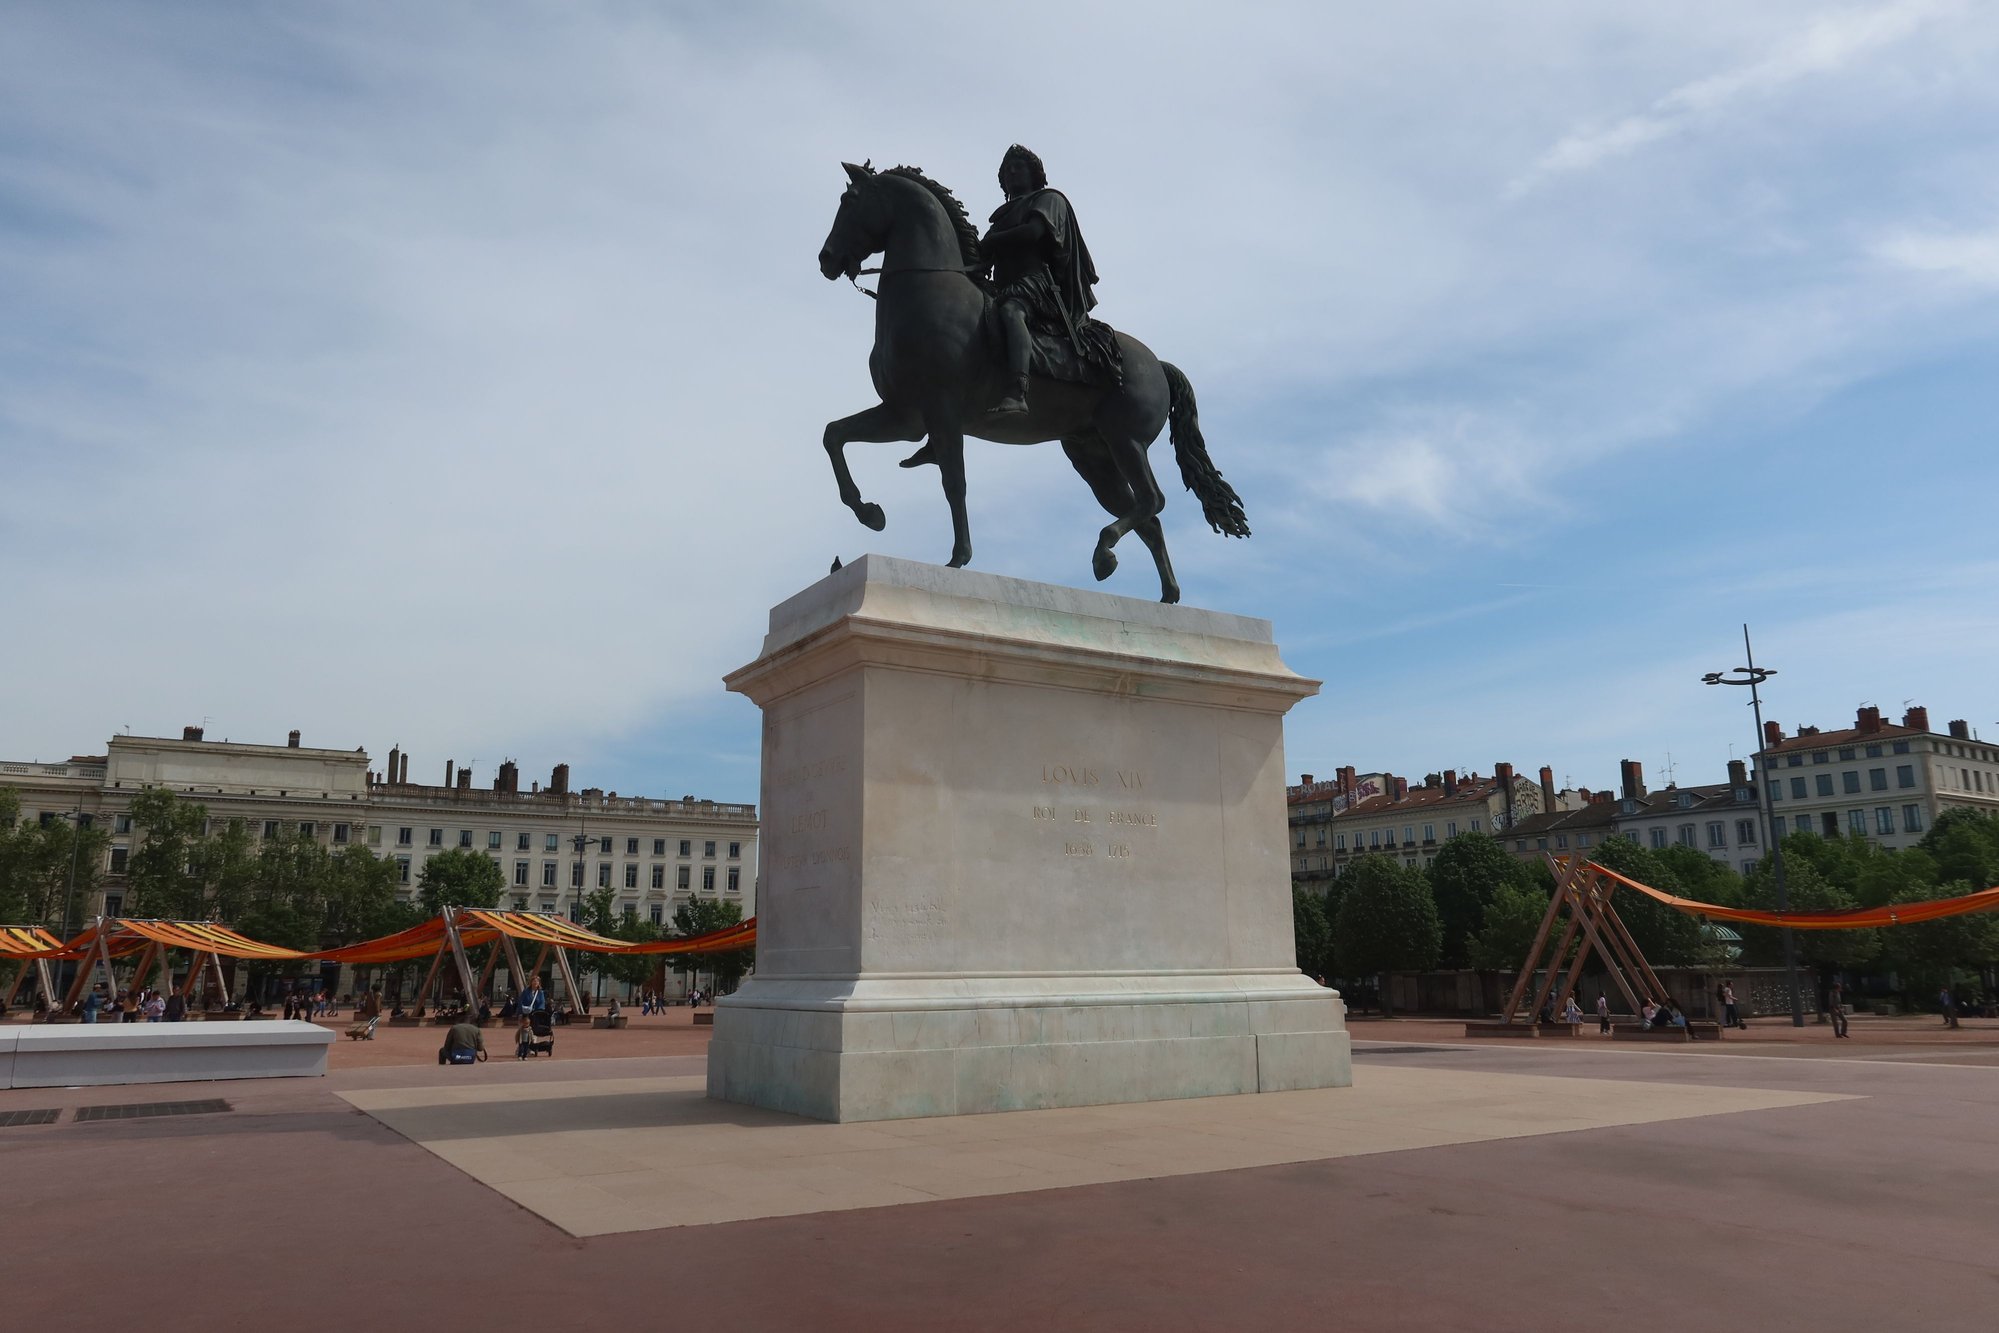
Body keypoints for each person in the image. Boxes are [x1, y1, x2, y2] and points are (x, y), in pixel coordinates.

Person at [978, 144, 1119, 415]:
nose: (1011, 172)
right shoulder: (1001, 217)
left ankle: (1018, 391)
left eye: (1018, 167)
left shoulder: (1049, 199)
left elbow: (1033, 232)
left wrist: (993, 241)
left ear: (1034, 173)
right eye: (1007, 170)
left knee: (1011, 312)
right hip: (1003, 285)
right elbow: (984, 257)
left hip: (1038, 285)